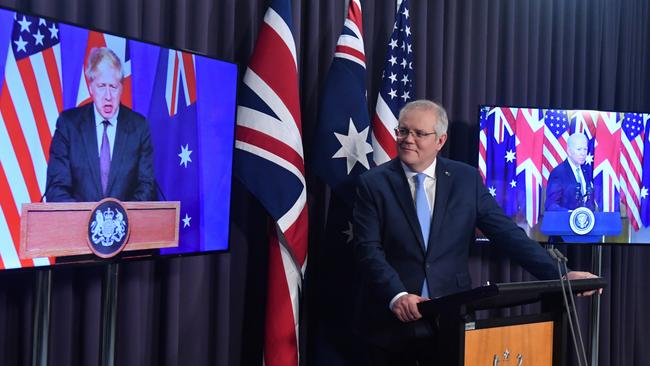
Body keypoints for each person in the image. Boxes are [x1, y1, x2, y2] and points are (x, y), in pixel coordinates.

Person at [352, 100, 598, 365]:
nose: (407, 139)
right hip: (391, 322)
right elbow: (368, 248)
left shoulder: (465, 179)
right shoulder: (373, 183)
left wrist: (561, 274)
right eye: (403, 131)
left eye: (419, 133)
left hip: (450, 319)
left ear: (440, 140)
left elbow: (506, 234)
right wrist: (397, 295)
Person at [46, 47, 155, 202]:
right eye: (102, 86)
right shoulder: (68, 125)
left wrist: (119, 219)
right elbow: (56, 188)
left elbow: (146, 187)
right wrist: (90, 220)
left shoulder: (139, 127)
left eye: (113, 87)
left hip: (126, 225)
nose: (108, 96)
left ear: (122, 88)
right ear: (91, 87)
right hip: (78, 225)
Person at [545, 133, 595, 211]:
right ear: (569, 151)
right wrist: (571, 215)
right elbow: (551, 205)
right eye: (579, 149)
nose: (583, 153)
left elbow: (589, 200)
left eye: (585, 149)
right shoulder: (558, 173)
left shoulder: (586, 170)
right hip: (564, 221)